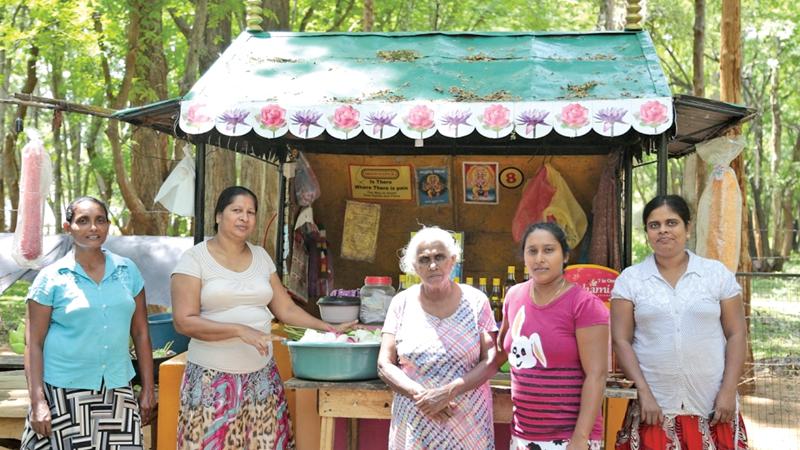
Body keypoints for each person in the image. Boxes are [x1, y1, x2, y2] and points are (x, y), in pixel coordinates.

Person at [171, 185, 354, 450]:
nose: (244, 217)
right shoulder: (194, 260)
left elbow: (286, 310)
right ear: (218, 216)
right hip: (212, 380)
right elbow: (183, 321)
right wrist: (238, 330)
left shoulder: (261, 256)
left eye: (251, 212)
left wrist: (328, 327)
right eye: (236, 210)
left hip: (262, 378)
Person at [611, 194, 749, 449]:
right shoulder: (630, 280)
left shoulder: (715, 274)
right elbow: (621, 340)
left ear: (687, 227)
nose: (663, 230)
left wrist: (728, 391)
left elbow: (736, 333)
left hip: (712, 403)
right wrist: (644, 392)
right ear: (647, 233)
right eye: (654, 225)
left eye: (671, 223)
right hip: (655, 407)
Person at [21, 196, 154, 449]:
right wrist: (38, 402)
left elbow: (141, 332)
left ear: (107, 225)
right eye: (83, 221)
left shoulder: (128, 271)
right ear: (67, 226)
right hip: (64, 394)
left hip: (117, 391)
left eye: (100, 220)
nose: (93, 228)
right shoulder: (51, 278)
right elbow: (34, 343)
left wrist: (147, 389)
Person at [378, 226, 498, 449]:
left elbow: (491, 361)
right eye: (424, 259)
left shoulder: (476, 302)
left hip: (466, 421)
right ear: (414, 267)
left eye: (439, 257)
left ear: (453, 261)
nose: (432, 265)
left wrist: (448, 392)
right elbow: (384, 363)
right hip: (416, 417)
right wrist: (421, 396)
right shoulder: (401, 303)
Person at [498, 222, 608, 450]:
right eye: (532, 251)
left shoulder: (584, 304)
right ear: (524, 257)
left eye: (548, 250)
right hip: (523, 435)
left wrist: (580, 439)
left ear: (565, 256)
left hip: (570, 437)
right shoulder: (513, 296)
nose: (539, 258)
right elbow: (502, 348)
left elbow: (596, 375)